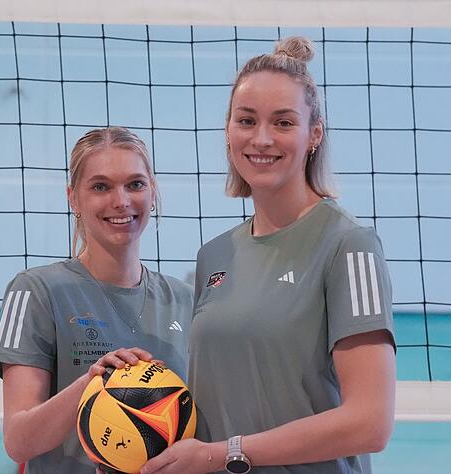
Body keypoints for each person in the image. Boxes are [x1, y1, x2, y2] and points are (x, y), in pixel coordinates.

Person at [141, 37, 396, 474]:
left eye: (282, 123)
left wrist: (219, 455)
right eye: (247, 120)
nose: (261, 139)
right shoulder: (214, 255)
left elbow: (370, 423)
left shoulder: (349, 245)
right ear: (228, 130)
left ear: (314, 133)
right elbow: (226, 400)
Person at [0, 127, 193, 473]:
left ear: (153, 192)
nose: (121, 201)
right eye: (101, 186)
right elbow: (18, 441)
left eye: (135, 184)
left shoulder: (185, 299)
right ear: (73, 198)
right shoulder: (36, 290)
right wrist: (94, 384)